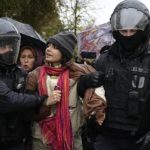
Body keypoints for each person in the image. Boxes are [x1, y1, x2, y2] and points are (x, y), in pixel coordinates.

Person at [77, 0, 150, 150]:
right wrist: (85, 82)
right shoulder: (104, 58)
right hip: (105, 136)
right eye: (124, 31)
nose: (128, 35)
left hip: (139, 138)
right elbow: (86, 94)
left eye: (133, 31)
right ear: (117, 32)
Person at [25, 31, 106, 150]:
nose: (48, 49)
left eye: (55, 47)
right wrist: (46, 102)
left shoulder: (77, 73)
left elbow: (95, 97)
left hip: (72, 139)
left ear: (64, 53)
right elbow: (28, 109)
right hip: (42, 140)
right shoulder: (35, 75)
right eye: (48, 45)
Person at [0, 18, 53, 150]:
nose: (9, 49)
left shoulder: (20, 73)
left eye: (11, 45)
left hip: (19, 138)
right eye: (3, 46)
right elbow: (9, 100)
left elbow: (30, 95)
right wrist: (41, 99)